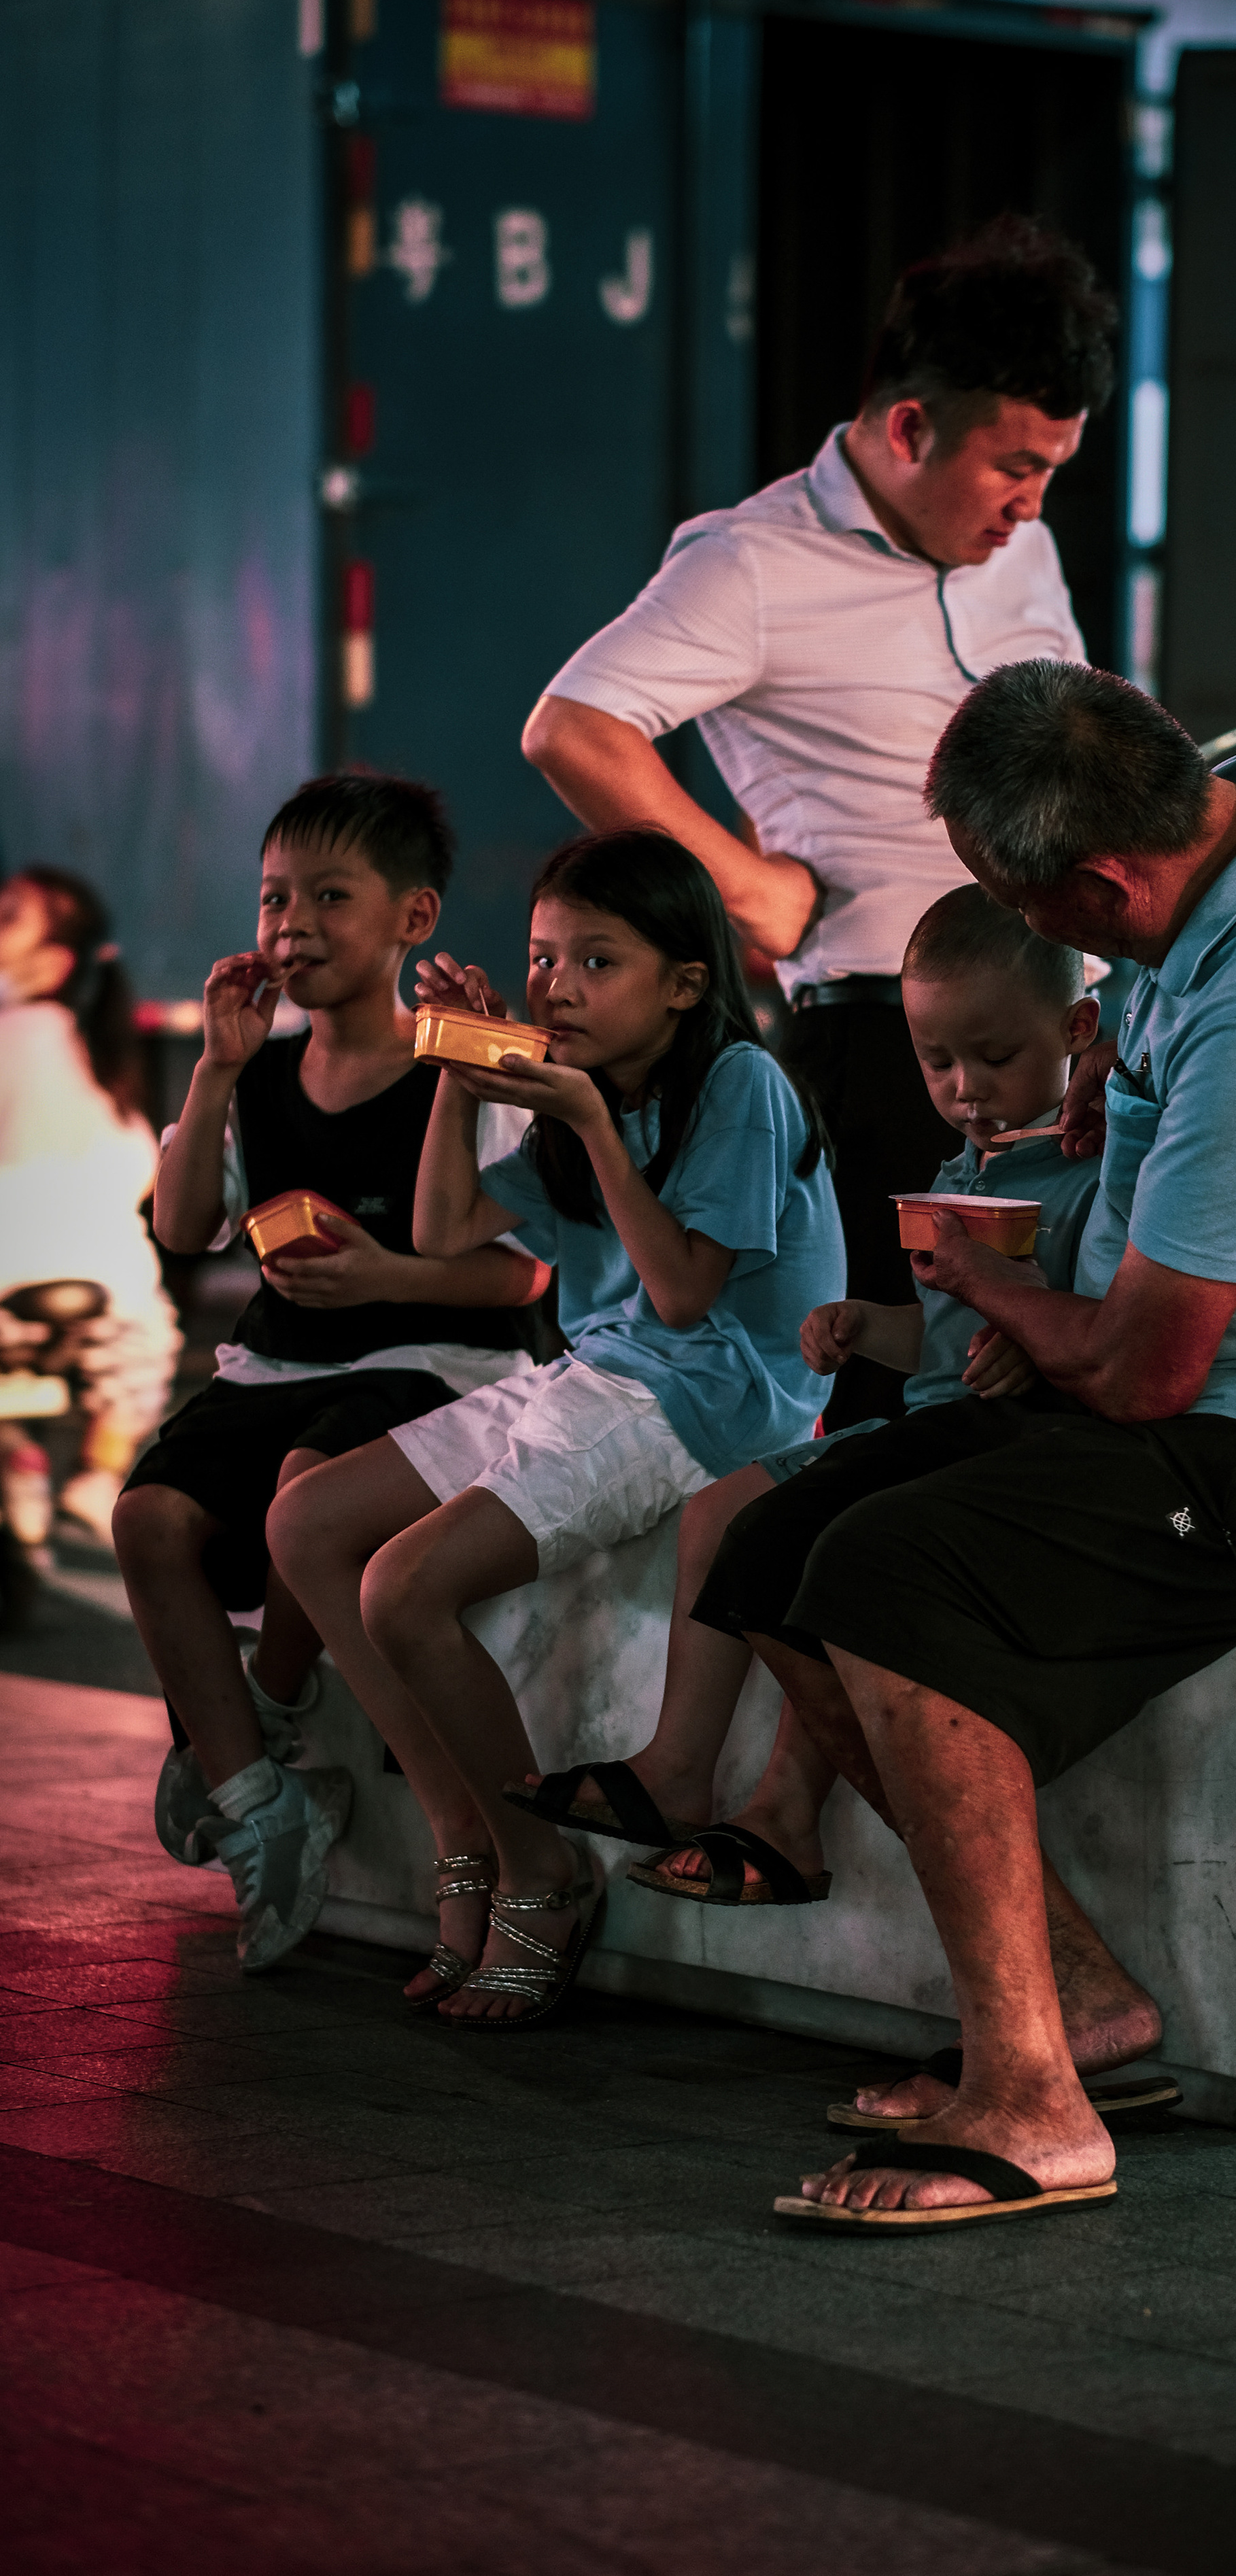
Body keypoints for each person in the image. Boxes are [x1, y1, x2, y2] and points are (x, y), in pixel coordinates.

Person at [697, 660, 1236, 2229]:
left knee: (888, 1572)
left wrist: (987, 1282)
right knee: (766, 1549)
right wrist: (1131, 1070)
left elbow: (1150, 1374)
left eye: (1034, 908)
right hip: (1231, 1385)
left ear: (1102, 874)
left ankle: (1032, 2104)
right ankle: (1078, 1997)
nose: (1048, 950)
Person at [521, 216, 1116, 1426]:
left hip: (1073, 1029)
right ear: (909, 428)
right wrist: (750, 892)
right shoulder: (751, 565)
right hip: (903, 1048)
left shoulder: (1029, 555)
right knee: (894, 1400)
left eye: (1053, 469)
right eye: (1012, 467)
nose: (1031, 504)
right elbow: (572, 728)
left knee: (1054, 1388)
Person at [267, 830, 845, 2030]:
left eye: (596, 961)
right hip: (600, 1375)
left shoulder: (735, 1085)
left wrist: (581, 1118)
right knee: (310, 1522)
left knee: (401, 1591)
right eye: (541, 959)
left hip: (710, 1397)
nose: (555, 985)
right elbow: (440, 1234)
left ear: (685, 982)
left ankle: (541, 1873)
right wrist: (459, 1073)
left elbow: (686, 1298)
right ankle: (459, 1830)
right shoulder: (591, 1089)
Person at [507, 882, 1108, 1915]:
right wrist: (862, 1328)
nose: (966, 1088)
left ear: (1077, 1031)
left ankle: (785, 1810)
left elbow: (1107, 1335)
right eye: (936, 1062)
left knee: (837, 1549)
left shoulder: (1091, 1172)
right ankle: (676, 1767)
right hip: (921, 1426)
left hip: (1010, 1451)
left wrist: (1037, 1336)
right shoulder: (959, 1167)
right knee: (724, 1508)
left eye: (996, 1059)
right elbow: (940, 1340)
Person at [114, 774, 546, 1972]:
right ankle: (261, 1796)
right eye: (271, 900)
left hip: (429, 1361)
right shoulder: (253, 1072)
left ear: (413, 918)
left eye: (327, 897)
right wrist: (211, 1074)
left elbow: (526, 1282)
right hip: (278, 1360)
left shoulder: (459, 1068)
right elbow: (186, 1225)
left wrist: (386, 1282)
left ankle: (258, 1708)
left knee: (311, 1477)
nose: (289, 925)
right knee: (148, 1516)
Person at [0, 866, 181, 1550]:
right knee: (146, 1348)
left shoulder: (14, 1035)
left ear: (52, 961)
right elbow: (140, 1171)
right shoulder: (101, 1063)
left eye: (10, 915)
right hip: (113, 1307)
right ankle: (97, 1474)